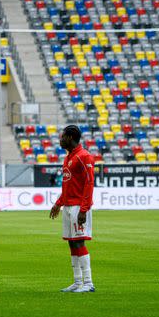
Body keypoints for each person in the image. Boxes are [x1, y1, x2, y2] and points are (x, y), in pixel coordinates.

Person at [49, 125, 95, 293]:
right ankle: (77, 282)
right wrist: (58, 203)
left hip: (78, 207)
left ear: (70, 137)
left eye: (62, 137)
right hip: (68, 206)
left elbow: (89, 184)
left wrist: (84, 209)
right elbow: (68, 185)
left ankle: (88, 283)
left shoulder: (84, 157)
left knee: (79, 241)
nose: (60, 140)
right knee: (71, 242)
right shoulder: (69, 157)